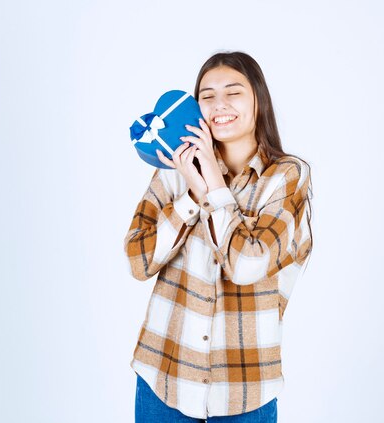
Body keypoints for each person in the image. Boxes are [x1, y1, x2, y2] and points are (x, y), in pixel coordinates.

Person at [124, 51, 313, 422]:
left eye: (233, 92)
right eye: (206, 96)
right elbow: (138, 261)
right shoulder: (174, 169)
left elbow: (246, 265)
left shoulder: (286, 178)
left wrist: (212, 185)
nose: (218, 104)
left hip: (245, 389)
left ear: (259, 100)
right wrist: (190, 197)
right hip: (163, 376)